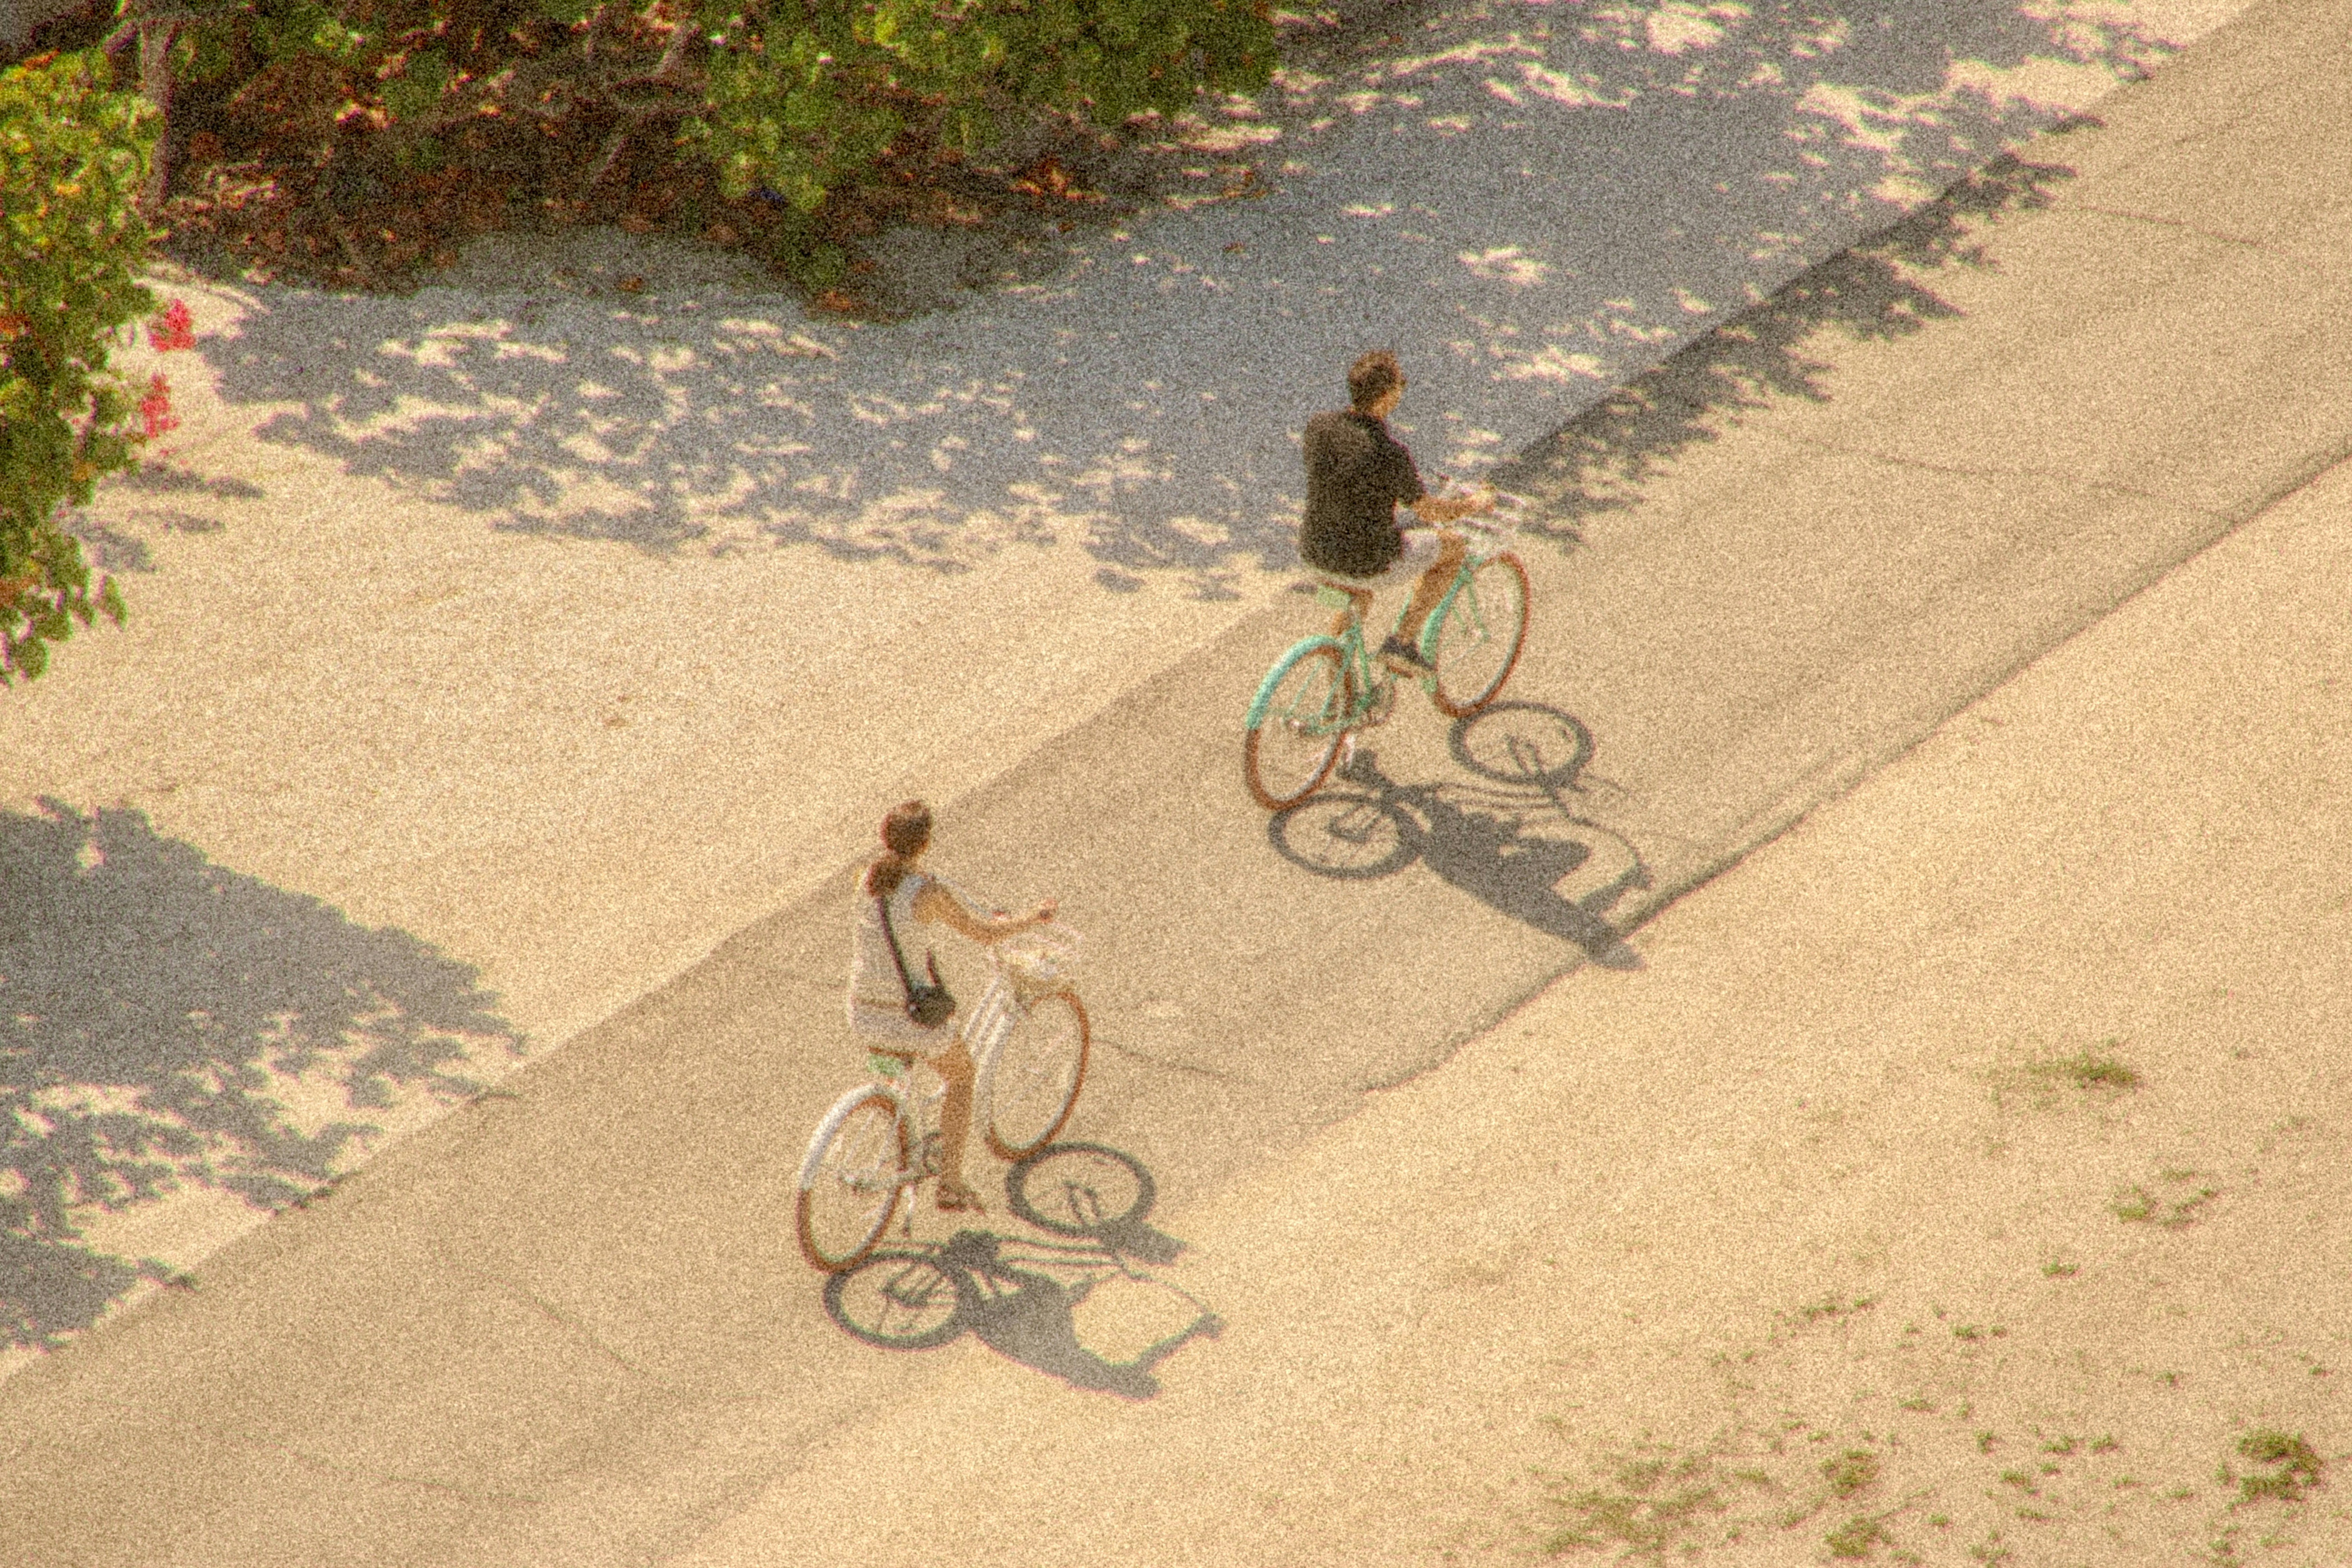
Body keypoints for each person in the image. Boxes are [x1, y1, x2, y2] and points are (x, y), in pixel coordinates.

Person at [847, 800, 1056, 1212]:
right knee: (962, 1077)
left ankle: (902, 1123)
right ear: (926, 842)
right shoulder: (928, 892)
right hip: (909, 1015)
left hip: (862, 1009)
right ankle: (951, 1184)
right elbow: (984, 933)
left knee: (907, 1069)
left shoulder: (868, 877)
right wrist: (1033, 917)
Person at [1299, 349, 1494, 674]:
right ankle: (1401, 644)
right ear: (1388, 397)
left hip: (1315, 551)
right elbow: (1430, 511)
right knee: (1453, 548)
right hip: (1367, 561)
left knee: (1356, 594)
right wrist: (1473, 504)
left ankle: (1335, 683)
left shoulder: (1319, 427)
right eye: (1400, 385)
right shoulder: (1390, 454)